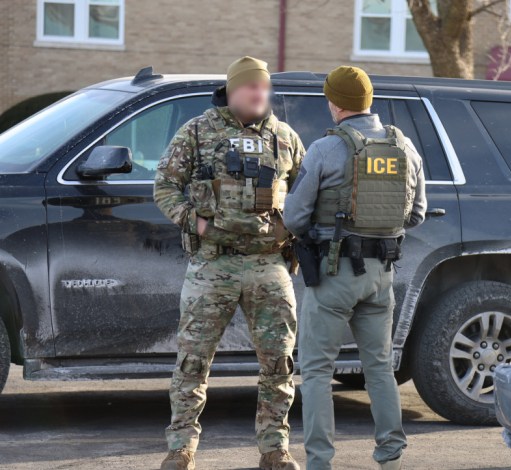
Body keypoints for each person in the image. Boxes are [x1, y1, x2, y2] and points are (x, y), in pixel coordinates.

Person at [154, 56, 305, 470]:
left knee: (279, 362)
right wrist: (194, 222)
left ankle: (275, 448)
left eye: (264, 88)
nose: (259, 94)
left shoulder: (285, 137)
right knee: (193, 359)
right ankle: (180, 447)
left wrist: (294, 225)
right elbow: (165, 186)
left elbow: (306, 192)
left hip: (268, 265)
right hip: (212, 265)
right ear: (233, 90)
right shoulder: (198, 132)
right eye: (250, 87)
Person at [283, 66, 427, 470]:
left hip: (333, 274)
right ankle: (390, 458)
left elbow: (294, 216)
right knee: (379, 367)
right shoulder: (405, 147)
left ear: (335, 104)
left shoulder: (325, 149)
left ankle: (319, 462)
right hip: (381, 275)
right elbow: (416, 214)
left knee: (315, 371)